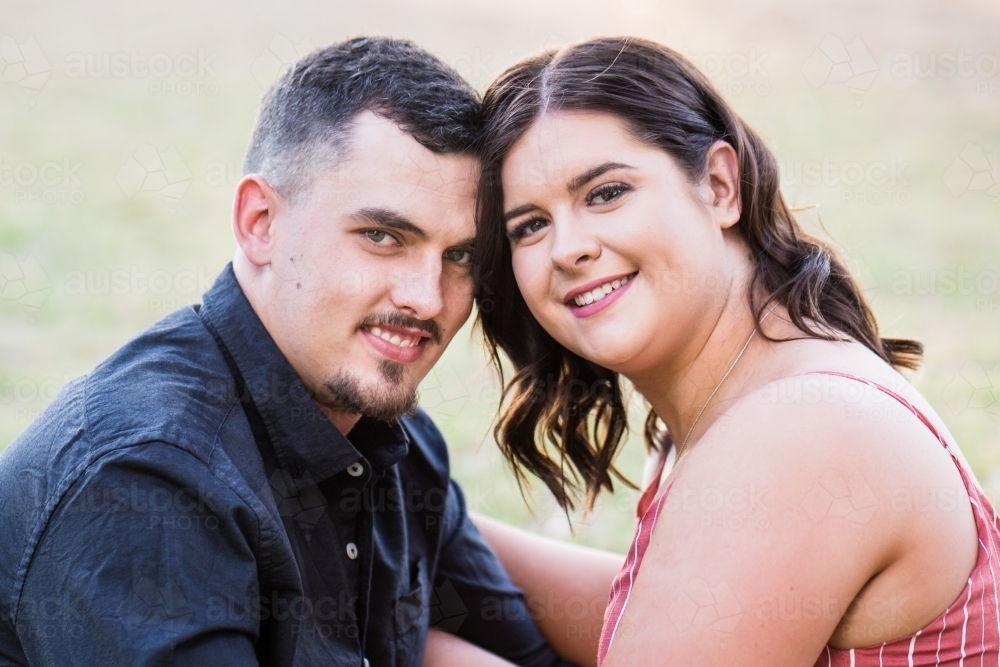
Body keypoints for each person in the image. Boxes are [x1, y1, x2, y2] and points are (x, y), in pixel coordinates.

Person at [0, 37, 576, 667]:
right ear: (260, 222)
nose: (426, 297)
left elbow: (530, 650)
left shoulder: (395, 441)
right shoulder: (145, 481)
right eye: (382, 236)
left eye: (460, 255)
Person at [472, 36, 1000, 666]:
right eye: (530, 225)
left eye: (606, 193)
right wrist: (440, 527)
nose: (567, 248)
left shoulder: (795, 435)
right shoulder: (748, 400)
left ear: (720, 185)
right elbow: (656, 619)